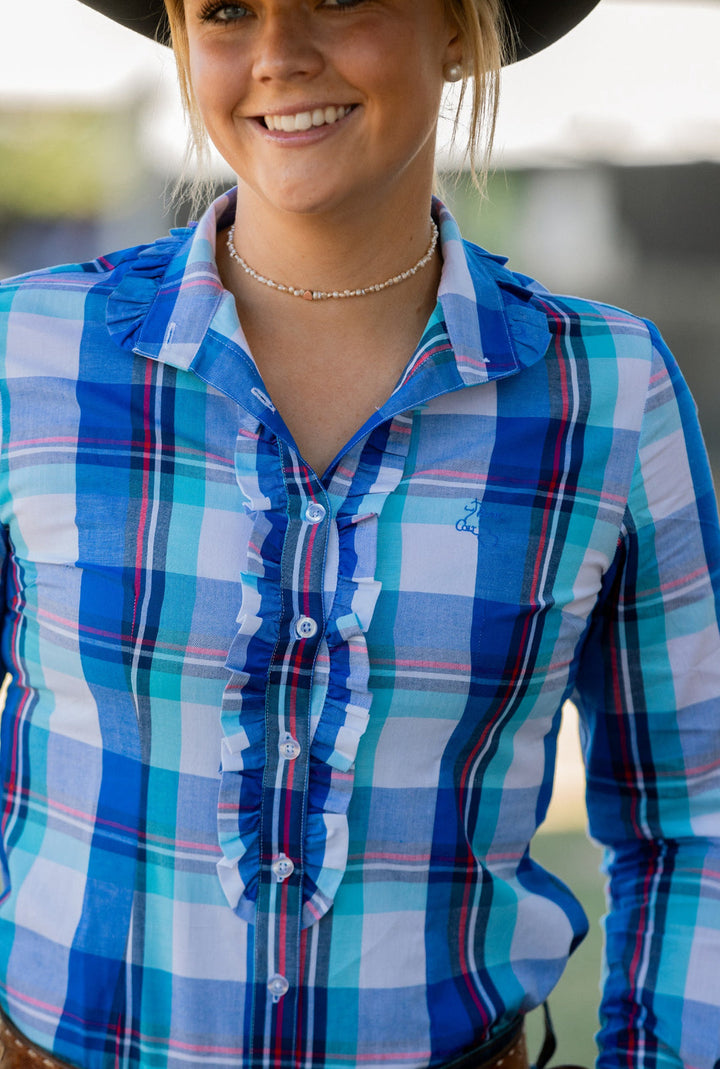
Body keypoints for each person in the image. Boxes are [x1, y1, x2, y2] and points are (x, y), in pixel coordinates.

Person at [0, 0, 718, 1067]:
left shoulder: (608, 397)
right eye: (228, 11)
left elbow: (692, 825)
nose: (279, 57)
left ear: (460, 31)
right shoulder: (28, 356)